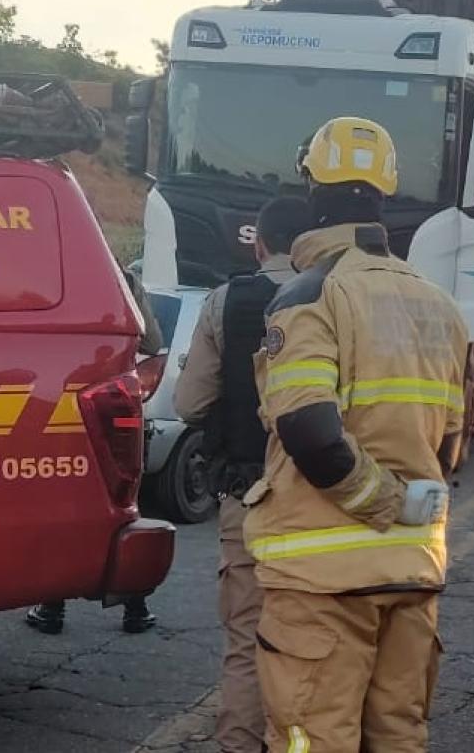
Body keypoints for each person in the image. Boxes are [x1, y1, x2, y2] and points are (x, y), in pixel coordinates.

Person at [245, 117, 468, 752]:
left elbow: (309, 429)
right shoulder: (439, 305)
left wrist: (381, 503)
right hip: (410, 572)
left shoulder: (309, 295)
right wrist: (406, 507)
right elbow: (450, 445)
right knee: (398, 738)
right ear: (385, 196)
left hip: (320, 580)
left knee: (312, 741)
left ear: (312, 190)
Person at [174, 196, 312, 753]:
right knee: (313, 645)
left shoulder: (225, 302)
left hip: (249, 496)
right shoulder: (337, 298)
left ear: (258, 242)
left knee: (247, 643)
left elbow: (189, 402)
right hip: (324, 500)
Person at [25, 265, 162, 635]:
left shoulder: (46, 278)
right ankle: (135, 607)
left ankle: (52, 607)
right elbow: (151, 340)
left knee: (61, 505)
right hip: (113, 408)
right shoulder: (125, 279)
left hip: (58, 406)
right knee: (123, 502)